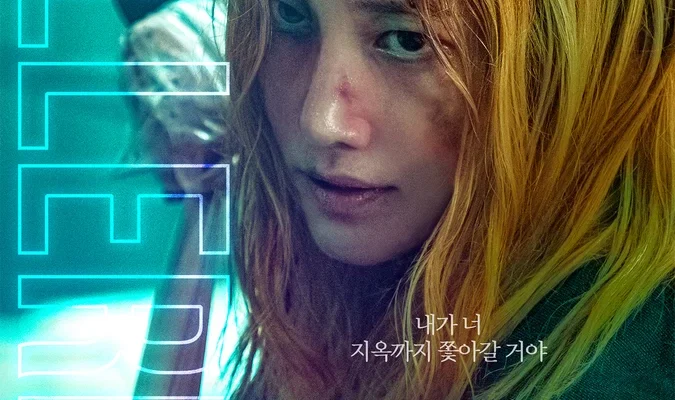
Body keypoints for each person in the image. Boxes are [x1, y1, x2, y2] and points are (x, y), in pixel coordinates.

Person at [219, 0, 675, 399]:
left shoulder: (606, 374)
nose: (321, 121)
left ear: (566, 59)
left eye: (407, 40)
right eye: (291, 15)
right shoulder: (371, 277)